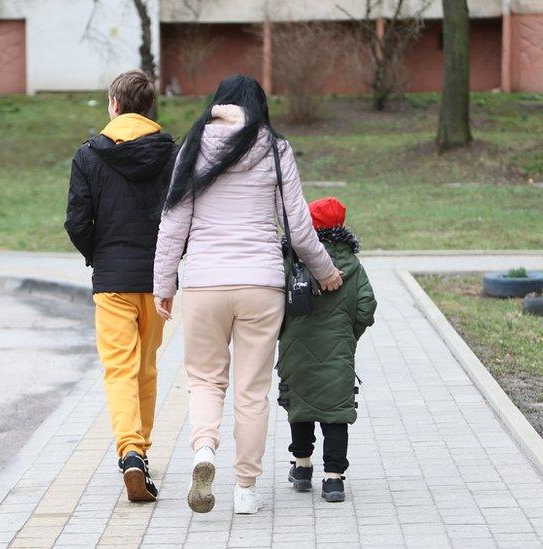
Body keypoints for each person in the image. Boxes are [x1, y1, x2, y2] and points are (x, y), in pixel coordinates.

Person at [152, 74, 343, 515]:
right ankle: (245, 489)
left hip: (203, 283)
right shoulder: (274, 149)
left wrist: (164, 284)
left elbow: (173, 223)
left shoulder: (193, 145)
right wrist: (326, 270)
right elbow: (297, 226)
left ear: (218, 103)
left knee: (204, 380)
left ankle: (203, 451)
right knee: (251, 391)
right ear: (259, 106)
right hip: (260, 285)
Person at [64, 69, 175, 502]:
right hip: (157, 278)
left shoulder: (89, 155)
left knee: (119, 368)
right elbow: (181, 214)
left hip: (112, 280)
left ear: (114, 104)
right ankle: (141, 451)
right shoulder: (171, 153)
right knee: (146, 367)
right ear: (148, 108)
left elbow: (77, 221)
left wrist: (99, 255)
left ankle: (130, 451)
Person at [278, 197, 377, 503]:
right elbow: (366, 307)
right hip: (338, 349)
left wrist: (284, 331)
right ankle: (333, 479)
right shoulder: (353, 265)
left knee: (301, 405)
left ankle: (303, 467)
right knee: (335, 412)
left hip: (296, 347)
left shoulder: (291, 261)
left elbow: (274, 301)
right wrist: (349, 336)